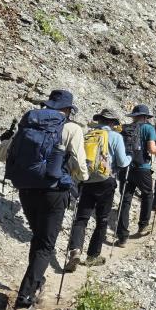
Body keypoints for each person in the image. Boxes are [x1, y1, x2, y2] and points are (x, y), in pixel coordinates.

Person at [0, 89, 88, 310]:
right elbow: (80, 166)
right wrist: (82, 178)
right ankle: (23, 303)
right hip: (54, 192)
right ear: (68, 110)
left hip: (26, 189)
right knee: (45, 246)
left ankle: (37, 283)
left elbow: (3, 156)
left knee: (39, 239)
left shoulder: (29, 123)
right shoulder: (72, 129)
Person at [63, 109, 130, 272]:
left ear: (99, 120)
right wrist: (130, 158)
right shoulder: (115, 137)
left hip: (87, 180)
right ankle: (92, 256)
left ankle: (75, 250)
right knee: (102, 219)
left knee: (81, 218)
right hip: (106, 180)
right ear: (113, 123)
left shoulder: (88, 135)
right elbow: (122, 162)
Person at [116, 104, 156, 247]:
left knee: (125, 200)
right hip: (142, 168)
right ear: (145, 117)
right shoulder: (148, 128)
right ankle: (143, 225)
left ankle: (122, 237)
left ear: (134, 116)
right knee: (147, 195)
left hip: (126, 168)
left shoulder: (126, 129)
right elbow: (152, 149)